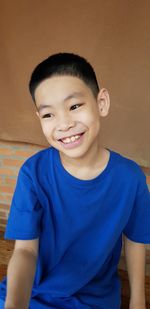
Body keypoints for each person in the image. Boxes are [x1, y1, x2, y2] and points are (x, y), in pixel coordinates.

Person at [0, 53, 149, 309]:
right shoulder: (33, 173)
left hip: (94, 299)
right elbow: (25, 250)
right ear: (40, 119)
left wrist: (137, 300)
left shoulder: (130, 177)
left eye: (74, 106)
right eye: (49, 115)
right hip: (33, 294)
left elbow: (135, 239)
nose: (64, 124)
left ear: (101, 102)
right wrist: (16, 304)